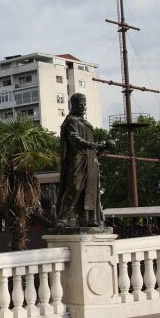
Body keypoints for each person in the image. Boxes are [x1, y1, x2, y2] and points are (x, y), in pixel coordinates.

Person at [56, 93, 113, 227]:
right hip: (77, 158)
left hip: (91, 159)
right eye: (81, 104)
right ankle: (63, 217)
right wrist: (94, 145)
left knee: (91, 188)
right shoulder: (71, 121)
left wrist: (105, 146)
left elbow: (92, 144)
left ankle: (90, 218)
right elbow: (74, 139)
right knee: (74, 186)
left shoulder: (87, 123)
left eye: (85, 104)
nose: (83, 107)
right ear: (74, 106)